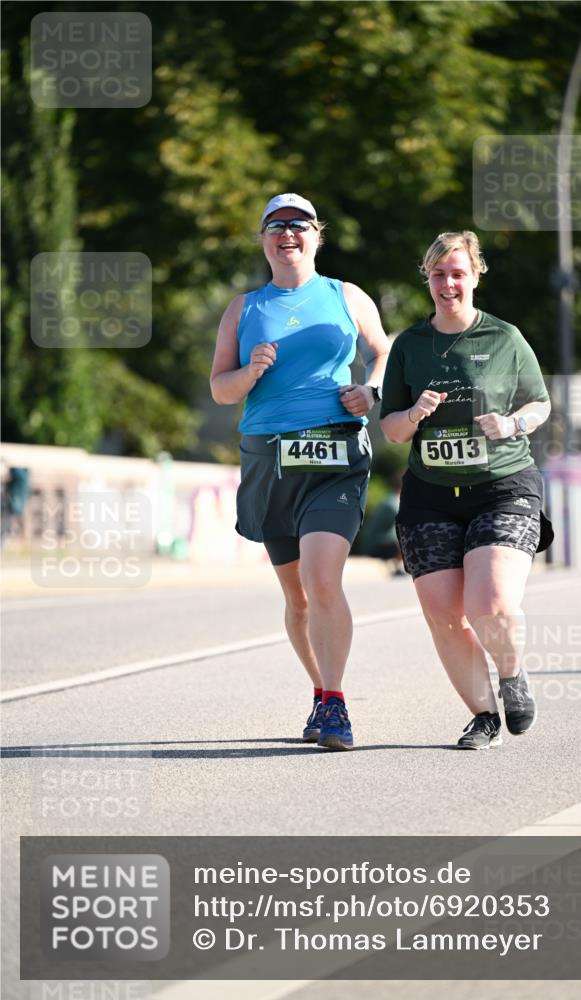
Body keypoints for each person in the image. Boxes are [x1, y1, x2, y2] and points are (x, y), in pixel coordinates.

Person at [210, 193, 389, 750]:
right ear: (264, 239)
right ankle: (319, 691)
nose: (288, 234)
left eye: (300, 226)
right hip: (269, 457)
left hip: (336, 454)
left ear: (317, 236)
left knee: (321, 578)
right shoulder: (243, 309)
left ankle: (335, 705)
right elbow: (220, 389)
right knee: (298, 598)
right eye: (276, 227)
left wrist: (371, 390)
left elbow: (383, 350)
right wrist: (250, 371)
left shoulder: (345, 295)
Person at [380, 231, 552, 750]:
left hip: (503, 486)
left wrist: (513, 424)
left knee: (492, 603)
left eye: (457, 273)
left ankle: (512, 672)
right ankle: (483, 717)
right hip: (430, 494)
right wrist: (414, 414)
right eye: (438, 274)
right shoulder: (410, 346)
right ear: (426, 278)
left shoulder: (504, 338)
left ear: (475, 275)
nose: (447, 283)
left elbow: (539, 403)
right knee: (443, 614)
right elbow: (391, 428)